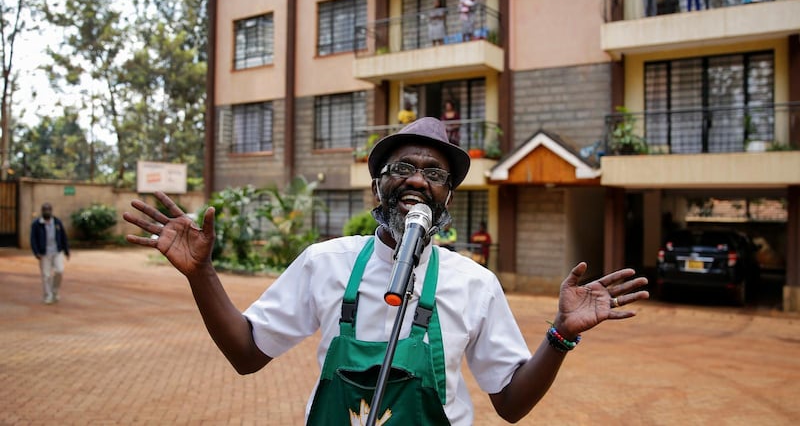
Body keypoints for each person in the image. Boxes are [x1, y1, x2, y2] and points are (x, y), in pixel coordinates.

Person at [123, 117, 649, 425]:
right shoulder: (325, 263)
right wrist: (202, 275)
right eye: (403, 168)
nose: (418, 181)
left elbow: (509, 403)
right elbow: (245, 353)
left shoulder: (474, 284)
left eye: (434, 173)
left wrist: (559, 336)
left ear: (448, 197)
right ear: (379, 184)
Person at [30, 202, 70, 304]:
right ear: (42, 211)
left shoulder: (57, 222)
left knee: (59, 271)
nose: (47, 212)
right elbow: (33, 239)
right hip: (44, 253)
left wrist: (66, 251)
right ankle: (48, 295)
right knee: (46, 275)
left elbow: (63, 236)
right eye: (44, 210)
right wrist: (36, 252)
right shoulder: (37, 224)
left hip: (57, 251)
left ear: (51, 211)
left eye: (48, 210)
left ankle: (55, 291)